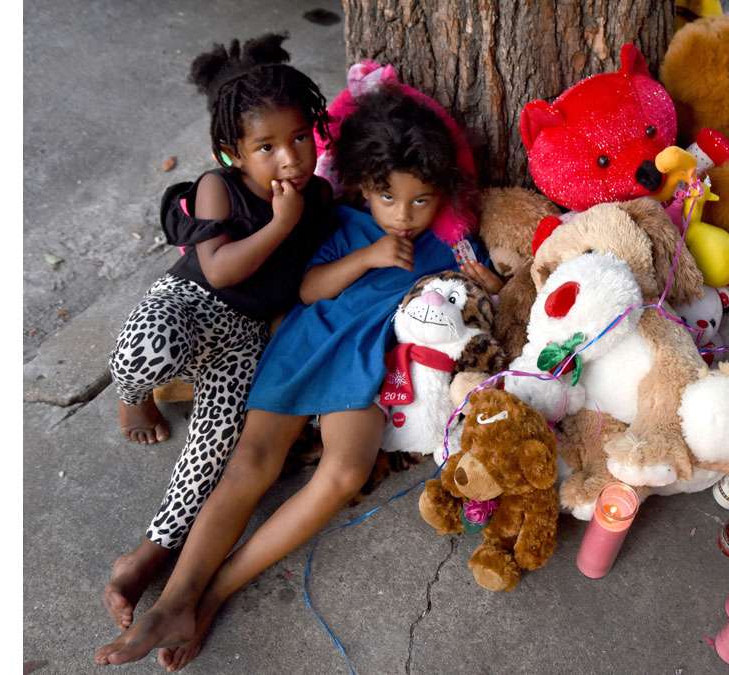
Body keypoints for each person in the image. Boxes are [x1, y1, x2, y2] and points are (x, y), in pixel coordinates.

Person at [95, 85, 504, 670]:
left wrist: (485, 284)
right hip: (308, 347)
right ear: (365, 185)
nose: (404, 215)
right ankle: (176, 598)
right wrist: (368, 255)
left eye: (421, 200)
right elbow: (309, 288)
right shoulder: (343, 221)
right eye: (388, 196)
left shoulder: (449, 245)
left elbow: (475, 297)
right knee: (251, 465)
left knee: (343, 474)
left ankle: (213, 593)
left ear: (442, 196)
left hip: (366, 369)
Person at [101, 32, 335, 632]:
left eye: (300, 138)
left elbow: (306, 277)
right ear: (232, 151)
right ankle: (132, 398)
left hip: (244, 337)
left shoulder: (320, 197)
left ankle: (149, 553)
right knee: (149, 345)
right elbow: (221, 268)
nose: (290, 158)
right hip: (192, 304)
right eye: (266, 147)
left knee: (214, 451)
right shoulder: (218, 187)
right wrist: (282, 223)